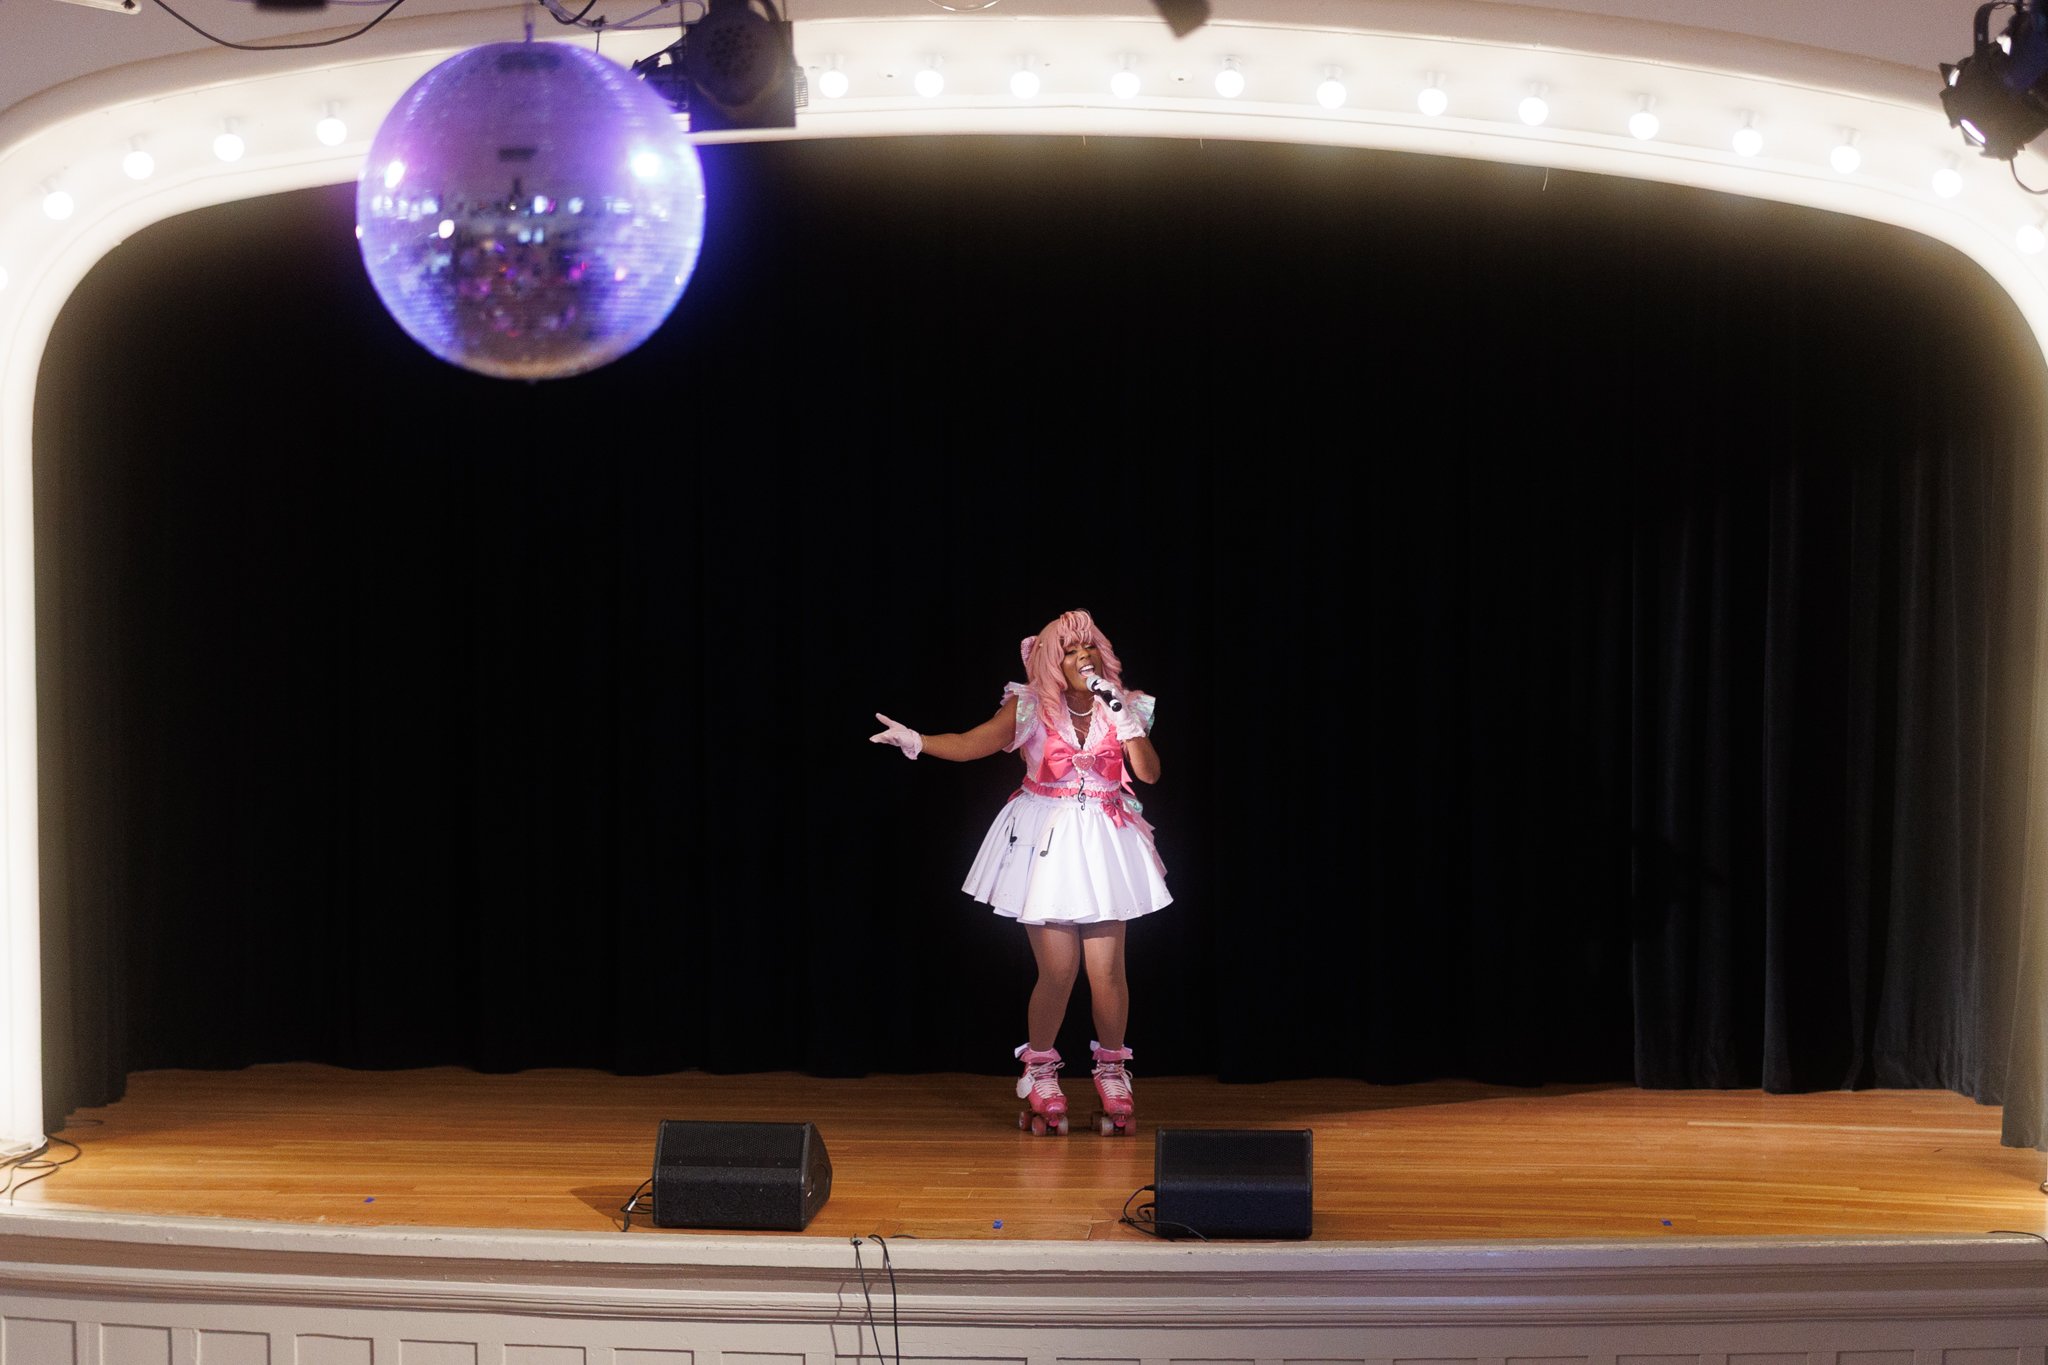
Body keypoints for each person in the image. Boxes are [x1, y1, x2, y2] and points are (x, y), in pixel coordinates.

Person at [870, 609, 1169, 1136]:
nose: (1083, 658)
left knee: (1107, 973)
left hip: (1103, 837)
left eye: (1089, 648)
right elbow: (973, 742)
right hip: (1047, 840)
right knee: (1058, 970)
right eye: (1071, 651)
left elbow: (1147, 773)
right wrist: (918, 741)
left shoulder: (1125, 706)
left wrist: (1121, 714)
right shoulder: (1031, 707)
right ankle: (1039, 1072)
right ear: (1053, 661)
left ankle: (1112, 1071)